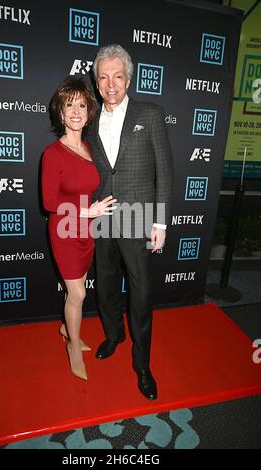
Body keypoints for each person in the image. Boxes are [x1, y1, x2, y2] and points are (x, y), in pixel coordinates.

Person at [86, 45, 174, 400]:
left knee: (140, 294)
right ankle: (112, 335)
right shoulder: (89, 117)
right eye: (103, 77)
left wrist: (161, 223)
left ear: (128, 78)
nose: (110, 84)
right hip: (103, 217)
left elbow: (165, 170)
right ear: (97, 80)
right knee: (106, 283)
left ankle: (142, 364)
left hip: (139, 219)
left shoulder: (150, 113)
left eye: (117, 76)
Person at [42, 77, 117, 381]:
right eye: (69, 105)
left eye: (82, 105)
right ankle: (73, 346)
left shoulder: (87, 147)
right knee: (78, 294)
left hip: (85, 230)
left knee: (76, 294)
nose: (75, 111)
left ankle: (65, 327)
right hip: (65, 231)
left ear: (89, 112)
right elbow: (49, 202)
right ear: (60, 113)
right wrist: (89, 211)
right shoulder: (52, 154)